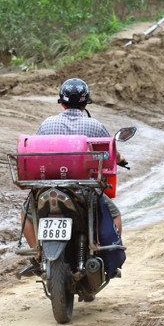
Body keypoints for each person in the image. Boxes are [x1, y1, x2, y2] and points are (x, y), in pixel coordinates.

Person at [19, 77, 125, 277]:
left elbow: (33, 152)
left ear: (62, 102)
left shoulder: (47, 124)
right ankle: (109, 257)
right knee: (114, 214)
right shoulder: (95, 126)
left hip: (47, 189)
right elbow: (110, 155)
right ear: (86, 103)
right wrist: (120, 159)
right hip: (84, 190)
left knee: (26, 214)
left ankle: (37, 255)